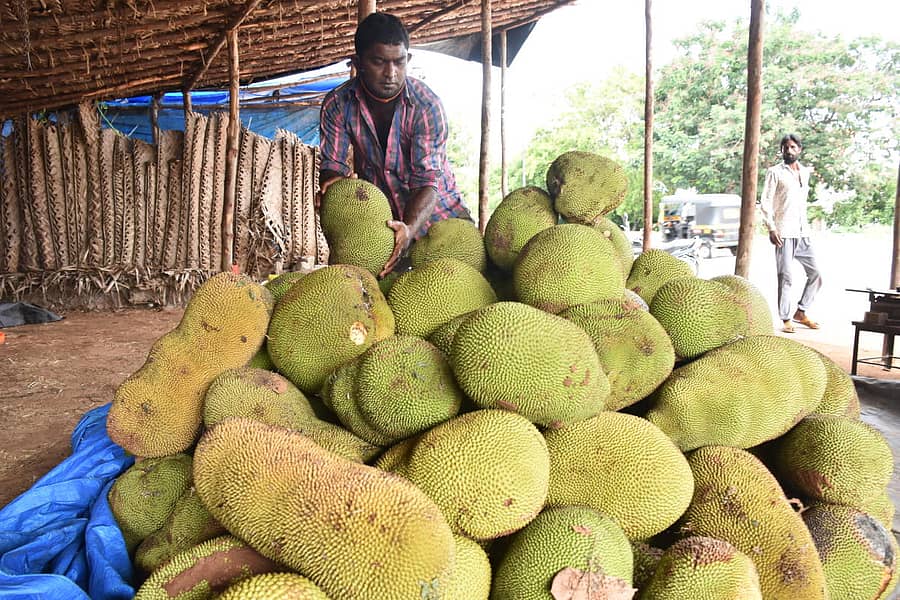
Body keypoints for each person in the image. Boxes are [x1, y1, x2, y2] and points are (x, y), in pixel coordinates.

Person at [318, 11, 473, 277]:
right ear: (358, 62)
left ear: (407, 60)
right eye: (379, 62)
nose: (391, 73)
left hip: (441, 224)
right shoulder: (338, 105)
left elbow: (427, 180)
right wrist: (331, 181)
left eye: (399, 62)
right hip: (384, 229)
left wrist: (409, 229)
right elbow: (332, 164)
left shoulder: (426, 105)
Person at [758, 133, 823, 333]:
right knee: (785, 276)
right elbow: (766, 201)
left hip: (802, 232)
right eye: (785, 147)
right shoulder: (775, 172)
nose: (789, 151)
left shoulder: (805, 172)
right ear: (782, 150)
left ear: (799, 149)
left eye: (793, 147)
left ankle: (801, 311)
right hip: (783, 232)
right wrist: (771, 227)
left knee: (816, 274)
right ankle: (786, 318)